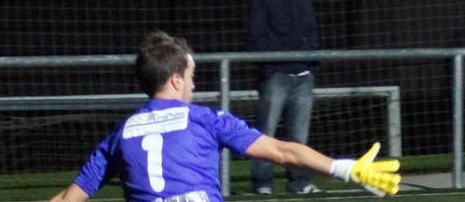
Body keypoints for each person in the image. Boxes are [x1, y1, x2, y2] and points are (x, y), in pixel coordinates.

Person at [50, 31, 400, 202]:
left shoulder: (121, 134)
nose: (193, 83)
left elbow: (70, 198)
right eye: (192, 76)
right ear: (175, 79)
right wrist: (346, 168)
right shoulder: (205, 119)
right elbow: (284, 152)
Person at [246, 0, 322, 194]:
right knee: (266, 134)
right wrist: (269, 68)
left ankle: (299, 182)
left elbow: (311, 30)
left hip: (302, 75)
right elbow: (256, 35)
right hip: (276, 75)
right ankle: (263, 183)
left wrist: (310, 64)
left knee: (298, 135)